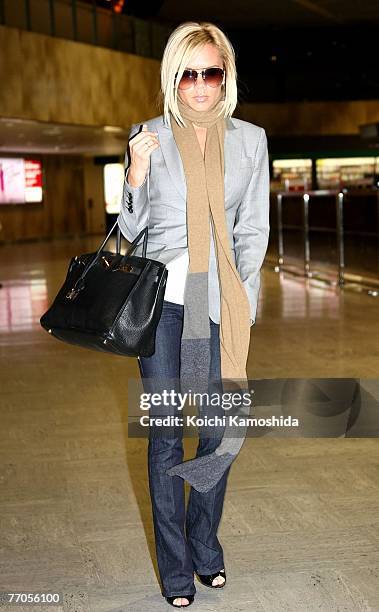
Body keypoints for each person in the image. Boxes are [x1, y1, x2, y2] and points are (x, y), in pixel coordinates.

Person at [118, 21, 270, 608]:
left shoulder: (250, 141)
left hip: (219, 307)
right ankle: (177, 572)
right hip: (162, 310)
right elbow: (132, 232)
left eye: (212, 73)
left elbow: (252, 227)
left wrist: (244, 296)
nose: (200, 86)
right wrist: (134, 173)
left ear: (226, 76)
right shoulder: (149, 136)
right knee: (163, 440)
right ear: (173, 77)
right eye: (189, 74)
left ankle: (206, 543)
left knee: (220, 434)